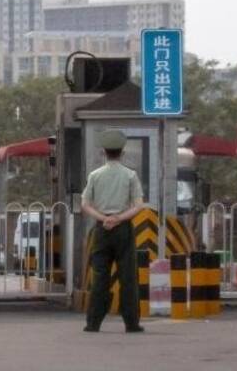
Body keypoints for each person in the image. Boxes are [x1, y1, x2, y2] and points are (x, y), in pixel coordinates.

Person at [82, 129, 147, 333]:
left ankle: (93, 323)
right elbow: (138, 205)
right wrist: (118, 218)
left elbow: (85, 204)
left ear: (104, 152)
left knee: (100, 276)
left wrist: (104, 219)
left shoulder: (95, 175)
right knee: (128, 277)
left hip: (102, 230)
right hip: (123, 229)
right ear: (122, 152)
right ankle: (131, 323)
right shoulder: (130, 175)